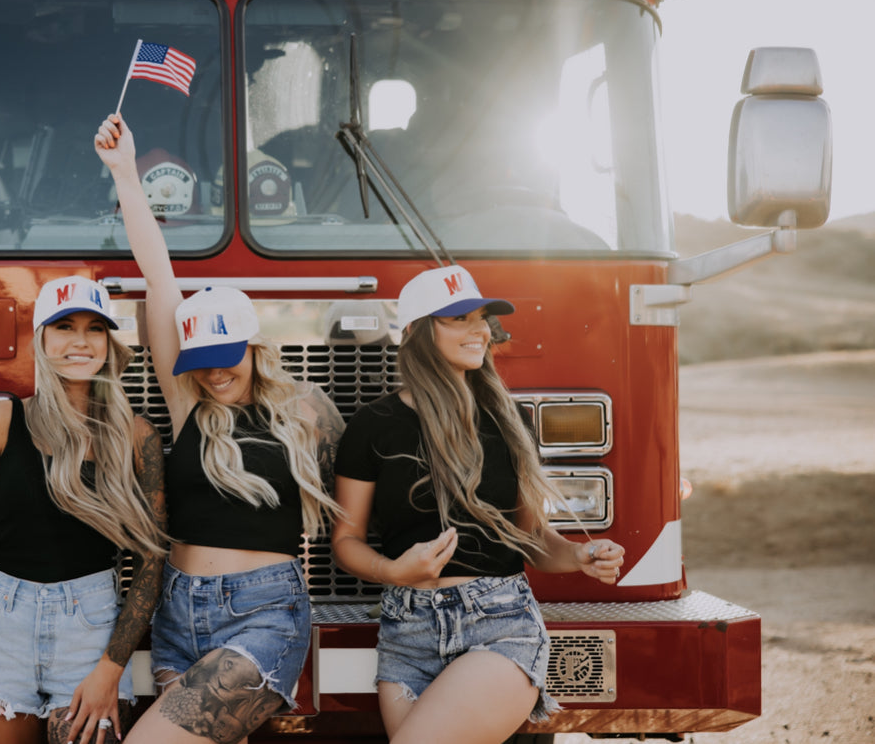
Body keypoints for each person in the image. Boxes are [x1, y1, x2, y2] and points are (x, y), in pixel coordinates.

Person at [94, 114, 345, 744]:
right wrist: (125, 173)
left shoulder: (305, 411)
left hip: (264, 612)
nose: (212, 373)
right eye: (199, 362)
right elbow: (158, 275)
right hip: (180, 614)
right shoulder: (190, 406)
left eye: (225, 357)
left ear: (255, 347)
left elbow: (364, 493)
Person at [330, 265, 626, 744]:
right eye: (459, 319)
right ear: (416, 332)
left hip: (498, 625)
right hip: (407, 635)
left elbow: (531, 539)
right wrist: (393, 571)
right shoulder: (372, 425)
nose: (480, 330)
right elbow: (346, 541)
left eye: (482, 318)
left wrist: (579, 555)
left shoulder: (509, 422)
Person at [0, 275, 168, 744]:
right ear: (41, 339)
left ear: (109, 342)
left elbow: (151, 564)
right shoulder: (1, 421)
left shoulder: (136, 436)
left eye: (95, 329)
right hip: (1, 620)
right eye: (65, 327)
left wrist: (110, 668)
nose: (80, 342)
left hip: (91, 627)